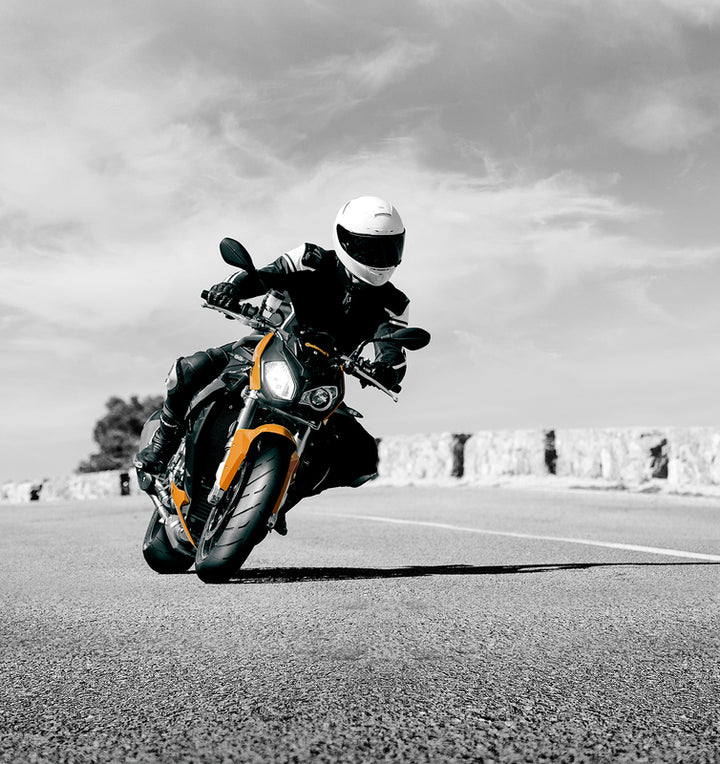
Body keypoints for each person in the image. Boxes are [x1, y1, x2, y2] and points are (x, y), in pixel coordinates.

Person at [135, 196, 411, 533]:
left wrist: (386, 369)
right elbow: (264, 276)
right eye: (369, 248)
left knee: (361, 456)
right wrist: (231, 288)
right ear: (344, 239)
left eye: (387, 249)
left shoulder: (395, 303)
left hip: (322, 378)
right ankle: (162, 444)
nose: (378, 259)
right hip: (271, 345)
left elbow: (392, 347)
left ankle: (279, 497)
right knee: (191, 368)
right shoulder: (310, 259)